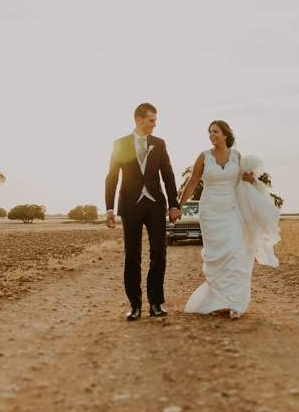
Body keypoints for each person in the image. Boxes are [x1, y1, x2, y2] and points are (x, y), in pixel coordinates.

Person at [178, 120, 280, 319]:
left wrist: (251, 180)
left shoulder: (236, 156)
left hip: (232, 210)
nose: (211, 135)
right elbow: (192, 182)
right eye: (209, 132)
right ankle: (216, 302)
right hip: (210, 211)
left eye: (215, 131)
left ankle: (235, 303)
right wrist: (178, 206)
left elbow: (245, 179)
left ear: (225, 135)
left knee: (235, 253)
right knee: (216, 258)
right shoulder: (204, 156)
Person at [105, 103, 181, 321]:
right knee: (132, 254)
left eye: (155, 121)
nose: (154, 125)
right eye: (151, 120)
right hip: (130, 205)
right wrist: (110, 208)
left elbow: (168, 174)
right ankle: (135, 305)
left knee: (159, 250)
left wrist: (173, 204)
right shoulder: (120, 144)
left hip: (155, 203)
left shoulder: (158, 144)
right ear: (139, 120)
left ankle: (156, 303)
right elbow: (112, 177)